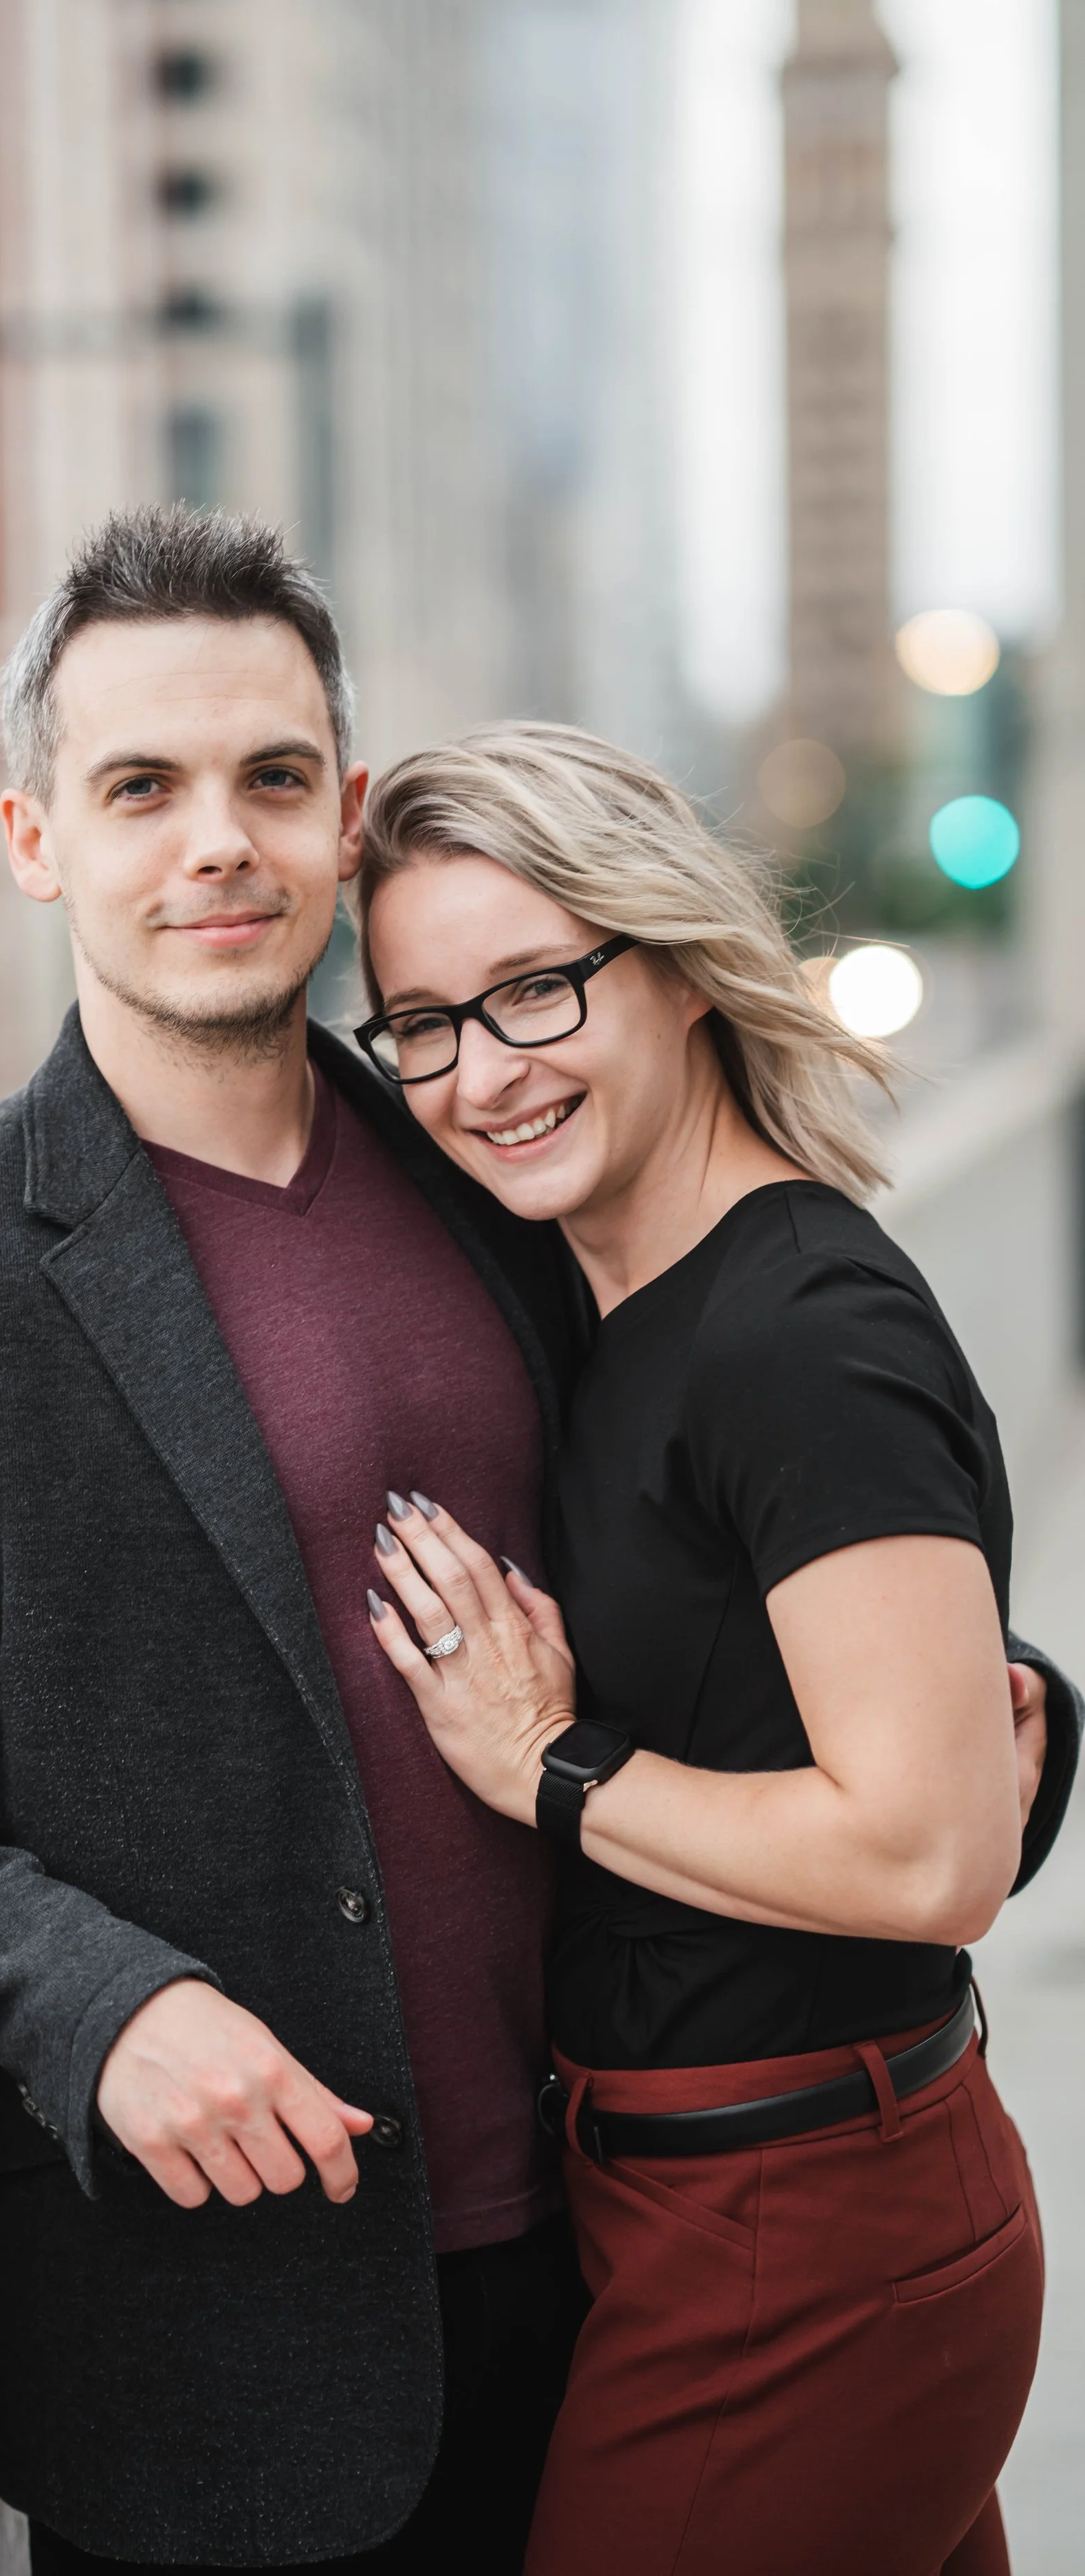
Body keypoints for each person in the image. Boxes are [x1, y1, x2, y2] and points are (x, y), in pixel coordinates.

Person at [0, 510, 1074, 2573]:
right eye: (139, 788)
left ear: (342, 820)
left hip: (623, 2239)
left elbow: (718, 1519)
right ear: (33, 836)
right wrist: (93, 2002)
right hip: (231, 2343)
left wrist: (1000, 1718)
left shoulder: (491, 1159)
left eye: (271, 778)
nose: (216, 844)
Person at [351, 719, 1066, 2576]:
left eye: (531, 989)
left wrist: (551, 1764)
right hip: (692, 2204)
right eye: (420, 1019)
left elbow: (930, 1854)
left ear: (668, 963)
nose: (475, 1072)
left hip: (811, 2233)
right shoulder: (605, 1304)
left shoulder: (787, 1323)